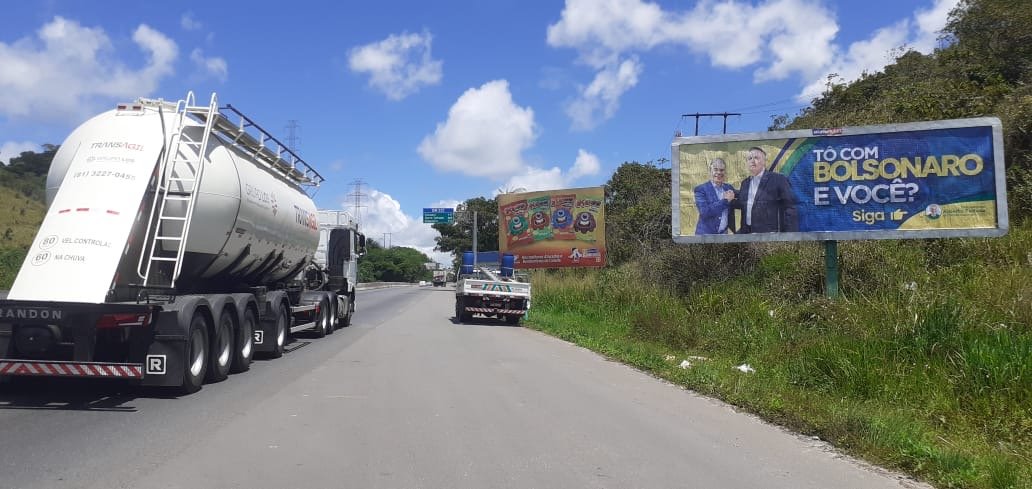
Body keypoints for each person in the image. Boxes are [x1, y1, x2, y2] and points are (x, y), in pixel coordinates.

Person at [734, 147, 798, 233]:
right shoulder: (745, 183)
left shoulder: (778, 179)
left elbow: (790, 208)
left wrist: (790, 235)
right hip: (747, 235)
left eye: (756, 158)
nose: (752, 161)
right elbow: (743, 203)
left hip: (769, 236)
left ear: (764, 162)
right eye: (750, 158)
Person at [693, 158, 736, 235]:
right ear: (710, 171)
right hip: (705, 236)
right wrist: (725, 201)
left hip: (724, 235)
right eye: (715, 169)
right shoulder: (700, 189)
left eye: (722, 170)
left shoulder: (728, 188)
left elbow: (743, 195)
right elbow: (705, 212)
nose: (719, 172)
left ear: (725, 172)